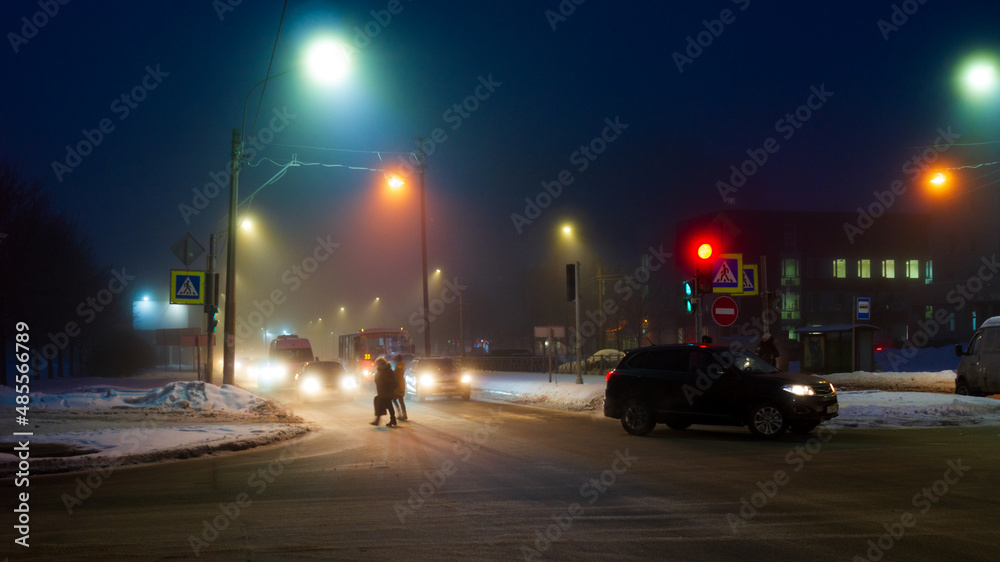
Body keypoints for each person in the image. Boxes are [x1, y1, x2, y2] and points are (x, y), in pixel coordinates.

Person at [371, 357, 398, 427]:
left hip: (386, 391)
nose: (377, 365)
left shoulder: (386, 371)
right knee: (388, 406)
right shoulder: (382, 370)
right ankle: (392, 420)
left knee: (383, 405)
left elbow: (389, 381)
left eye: (378, 364)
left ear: (381, 363)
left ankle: (378, 421)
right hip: (383, 392)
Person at [391, 354, 408, 421]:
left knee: (396, 400)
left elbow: (398, 375)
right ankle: (403, 414)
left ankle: (401, 414)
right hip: (399, 386)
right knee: (400, 400)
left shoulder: (399, 365)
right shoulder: (400, 365)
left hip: (398, 386)